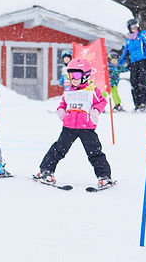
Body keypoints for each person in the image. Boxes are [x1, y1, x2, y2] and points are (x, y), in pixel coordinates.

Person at [34, 58, 115, 189]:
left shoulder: (92, 90)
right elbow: (64, 103)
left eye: (76, 75)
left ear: (86, 75)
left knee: (94, 152)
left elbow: (101, 102)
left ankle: (104, 177)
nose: (73, 79)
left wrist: (95, 111)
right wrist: (61, 110)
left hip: (86, 127)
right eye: (70, 75)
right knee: (58, 149)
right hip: (69, 127)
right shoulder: (69, 90)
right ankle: (46, 171)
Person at [118, 18, 146, 112]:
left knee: (142, 81)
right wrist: (120, 61)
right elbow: (126, 50)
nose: (135, 28)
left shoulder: (142, 34)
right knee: (134, 82)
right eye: (132, 26)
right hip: (134, 62)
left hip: (144, 60)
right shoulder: (129, 38)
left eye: (136, 26)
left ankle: (144, 103)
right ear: (129, 28)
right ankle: (137, 104)